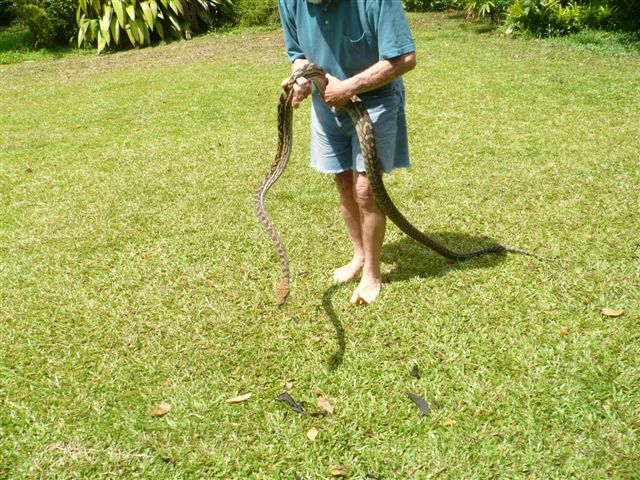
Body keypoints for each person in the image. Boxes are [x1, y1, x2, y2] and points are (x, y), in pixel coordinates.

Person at [277, 0, 417, 304]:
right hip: (325, 105)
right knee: (342, 182)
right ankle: (359, 256)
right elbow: (298, 55)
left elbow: (405, 58)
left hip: (375, 101)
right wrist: (301, 78)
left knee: (366, 190)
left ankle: (372, 272)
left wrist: (349, 87)